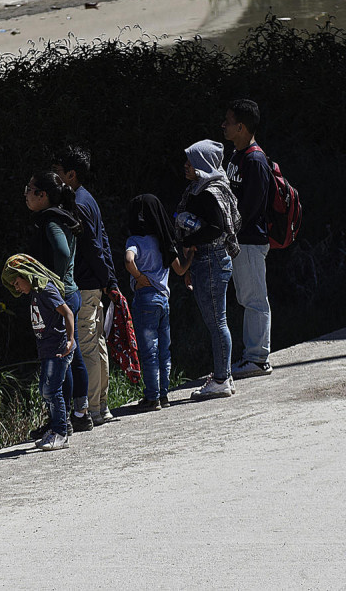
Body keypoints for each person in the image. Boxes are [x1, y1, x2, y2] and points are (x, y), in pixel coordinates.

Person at [53, 146, 121, 428]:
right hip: (95, 283)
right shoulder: (87, 198)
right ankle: (101, 406)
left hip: (85, 283)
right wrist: (109, 279)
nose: (55, 177)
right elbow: (103, 239)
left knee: (88, 346)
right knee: (97, 343)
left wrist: (106, 279)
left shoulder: (77, 204)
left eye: (58, 173)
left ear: (71, 174)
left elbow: (93, 245)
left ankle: (93, 408)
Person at [23, 170, 88, 438]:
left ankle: (62, 422)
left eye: (30, 189)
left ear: (43, 195)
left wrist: (53, 283)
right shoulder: (63, 217)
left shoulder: (50, 221)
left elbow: (61, 252)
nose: (26, 194)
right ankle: (80, 413)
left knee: (61, 356)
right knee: (73, 354)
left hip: (60, 296)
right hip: (71, 293)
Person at [175, 140, 242, 400]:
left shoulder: (210, 192)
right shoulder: (205, 188)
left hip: (212, 260)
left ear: (202, 164)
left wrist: (190, 240)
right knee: (217, 321)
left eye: (190, 162)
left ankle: (221, 379)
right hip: (211, 259)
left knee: (217, 322)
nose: (185, 166)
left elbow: (216, 228)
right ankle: (223, 373)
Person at [1, 254, 76, 452]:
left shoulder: (45, 290)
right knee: (45, 389)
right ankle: (54, 428)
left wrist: (70, 340)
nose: (17, 288)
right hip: (47, 350)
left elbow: (67, 312)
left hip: (58, 349)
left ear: (27, 275)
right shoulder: (35, 292)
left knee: (52, 390)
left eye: (17, 283)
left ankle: (61, 432)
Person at [223, 99, 275, 378]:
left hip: (251, 241)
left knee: (255, 299)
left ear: (241, 126)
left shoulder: (254, 160)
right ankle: (251, 356)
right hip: (240, 241)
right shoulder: (236, 156)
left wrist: (230, 228)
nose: (224, 125)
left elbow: (251, 207)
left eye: (228, 121)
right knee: (247, 298)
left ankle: (257, 358)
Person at [123, 194, 179, 412]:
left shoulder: (134, 240)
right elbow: (180, 268)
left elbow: (128, 260)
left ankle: (152, 397)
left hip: (145, 298)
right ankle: (164, 394)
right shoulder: (163, 240)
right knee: (164, 350)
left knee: (149, 351)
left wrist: (138, 276)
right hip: (164, 299)